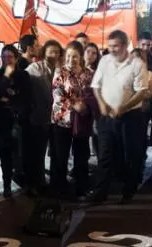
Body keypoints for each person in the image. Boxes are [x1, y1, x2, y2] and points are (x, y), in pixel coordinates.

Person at [84, 30, 150, 205]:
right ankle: (100, 193)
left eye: (116, 46)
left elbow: (142, 92)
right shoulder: (105, 61)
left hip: (130, 117)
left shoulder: (137, 64)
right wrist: (102, 104)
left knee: (129, 155)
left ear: (125, 45)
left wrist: (124, 107)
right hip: (107, 117)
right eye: (110, 46)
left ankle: (128, 191)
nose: (112, 49)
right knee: (104, 155)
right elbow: (96, 86)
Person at [49, 41, 94, 199]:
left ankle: (81, 188)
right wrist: (75, 105)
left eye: (74, 56)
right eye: (68, 56)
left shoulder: (88, 74)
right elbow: (57, 94)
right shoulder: (60, 72)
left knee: (81, 156)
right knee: (60, 157)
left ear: (80, 57)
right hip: (62, 121)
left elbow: (93, 95)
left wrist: (87, 106)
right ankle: (60, 189)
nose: (71, 60)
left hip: (82, 122)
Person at [22, 40, 62, 196]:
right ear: (44, 52)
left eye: (57, 52)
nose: (54, 55)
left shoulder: (61, 69)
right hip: (39, 117)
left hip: (57, 118)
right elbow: (23, 83)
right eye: (51, 51)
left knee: (56, 152)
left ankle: (55, 183)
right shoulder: (35, 68)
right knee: (38, 153)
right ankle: (37, 183)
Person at [0, 44, 30, 198]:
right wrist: (6, 77)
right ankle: (7, 184)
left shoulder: (23, 75)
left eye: (10, 57)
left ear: (16, 58)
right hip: (2, 121)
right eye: (4, 57)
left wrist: (11, 98)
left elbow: (24, 96)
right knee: (5, 154)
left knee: (21, 152)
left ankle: (22, 180)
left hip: (18, 119)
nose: (7, 60)